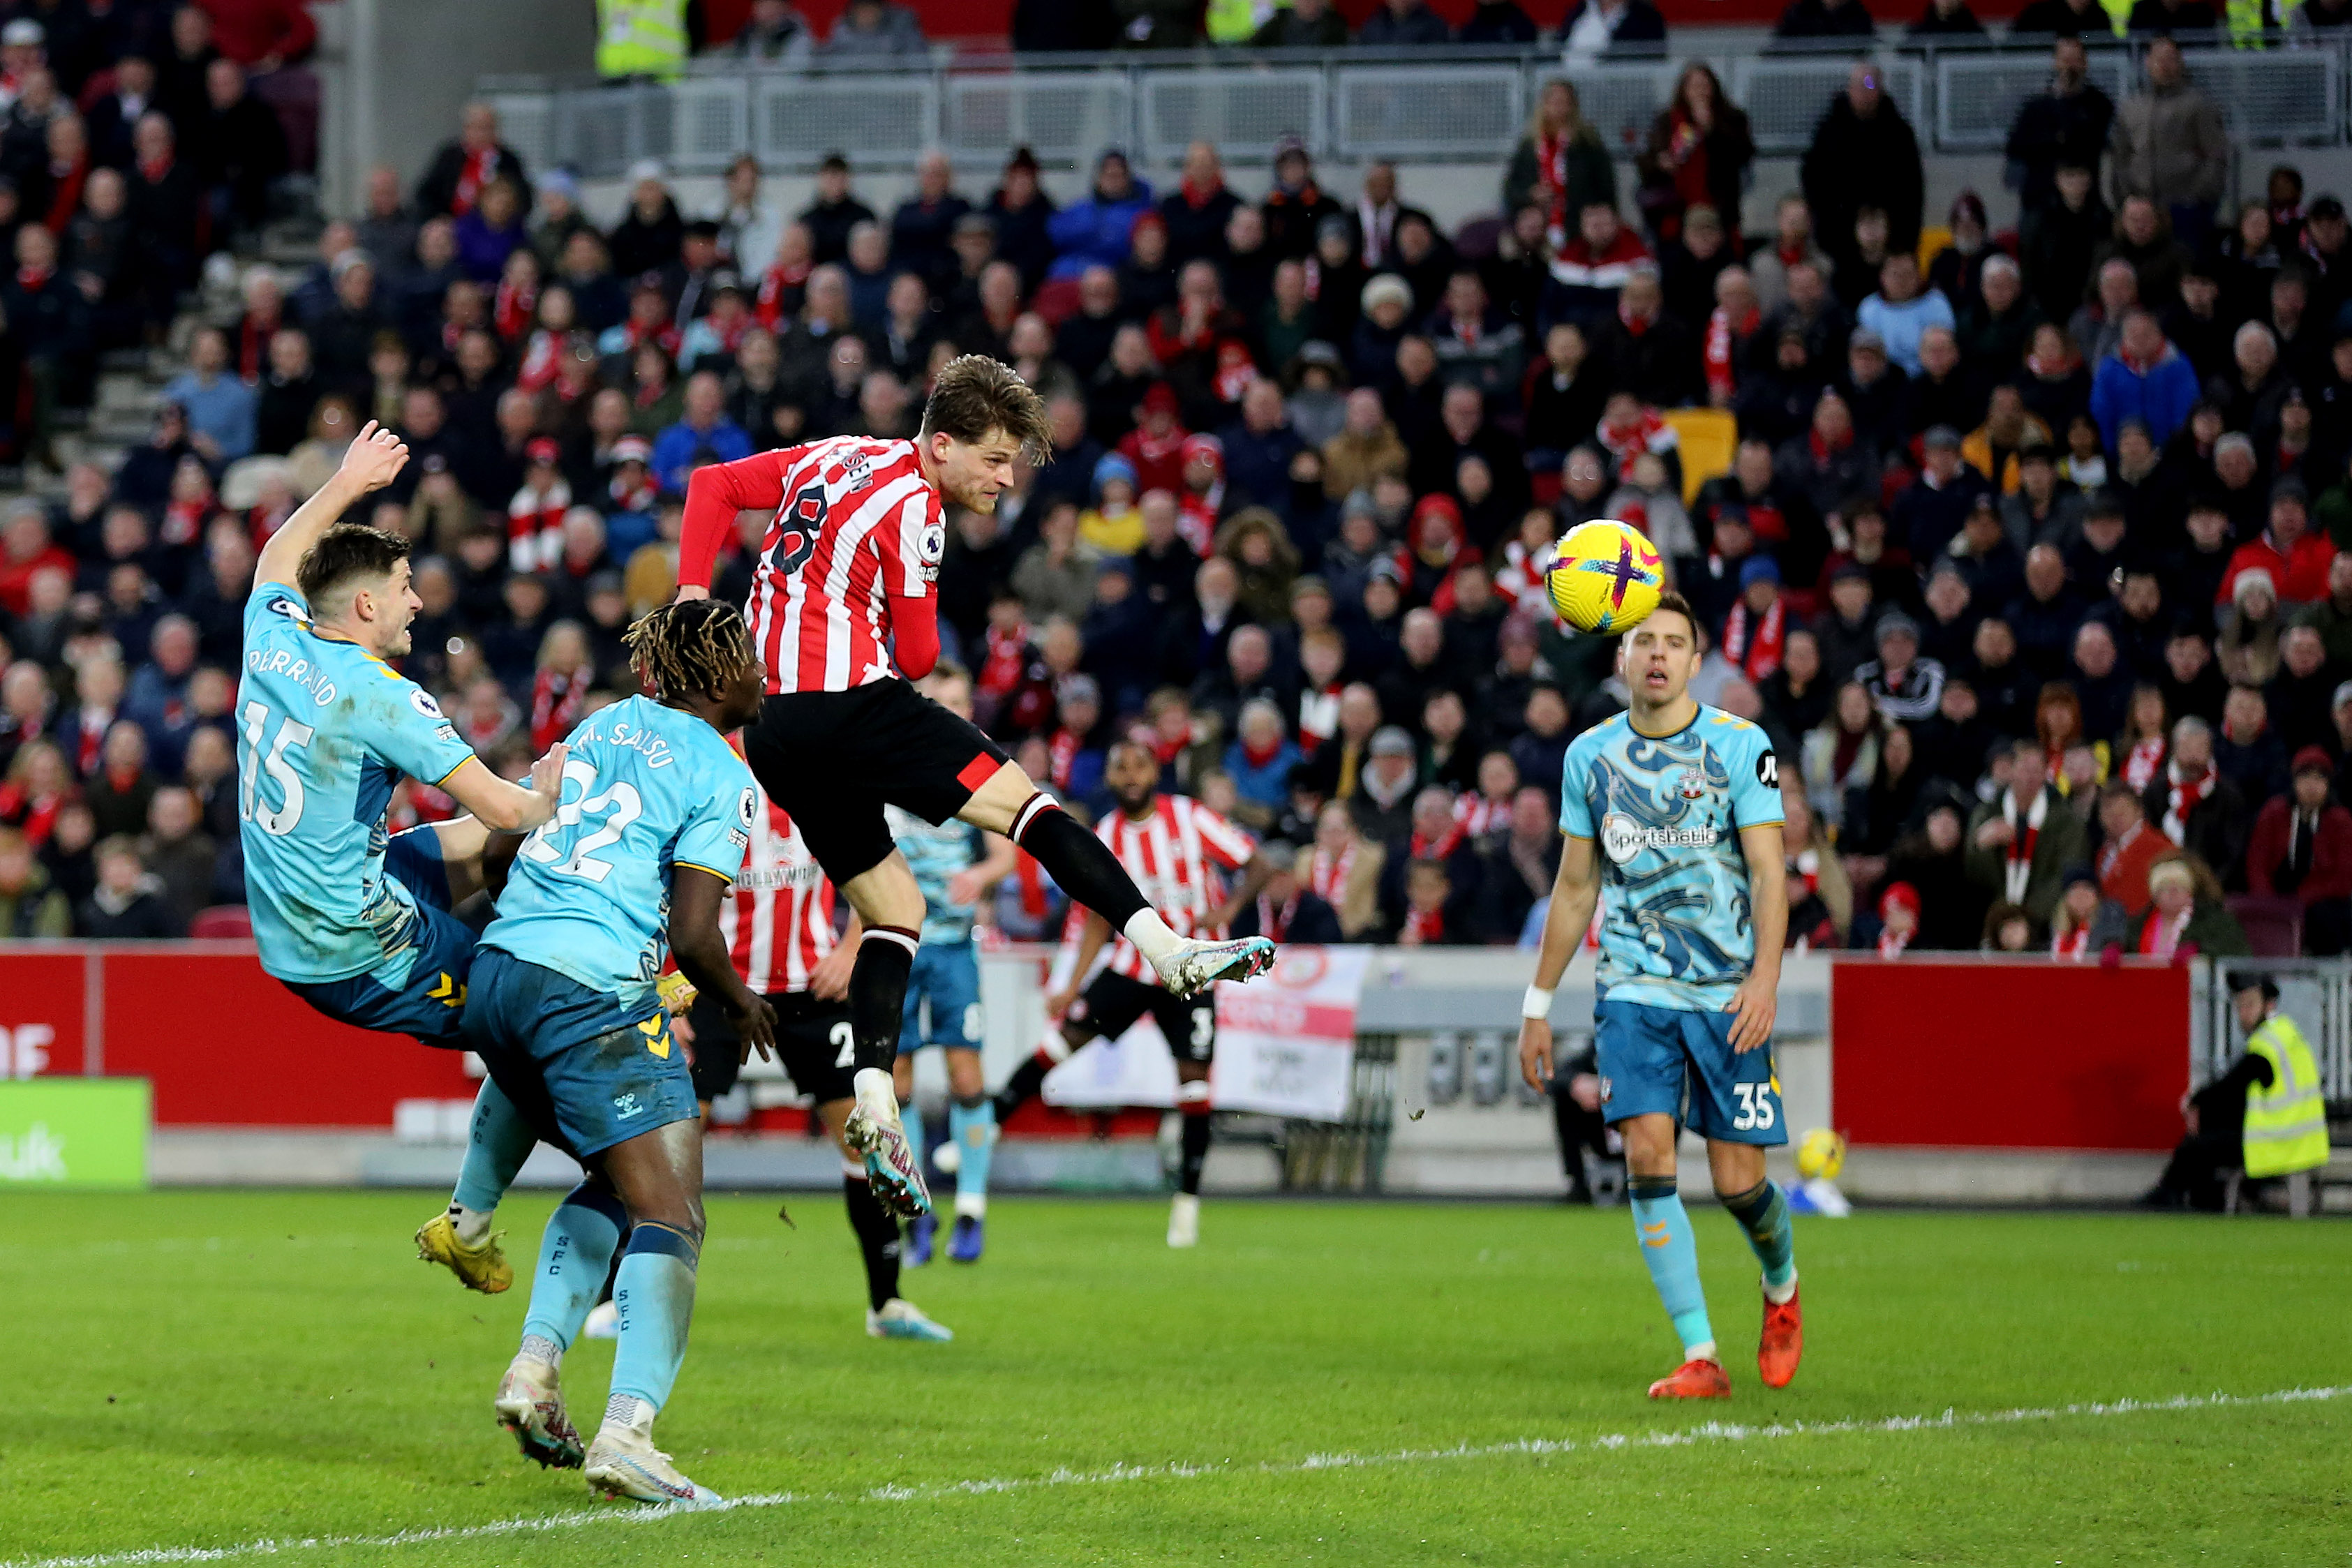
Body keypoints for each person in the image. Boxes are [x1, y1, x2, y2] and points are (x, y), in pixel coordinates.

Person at [671, 356, 1276, 1216]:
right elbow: (919, 658)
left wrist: (695, 599)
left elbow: (711, 486)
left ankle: (874, 1098)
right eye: (994, 460)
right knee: (1032, 810)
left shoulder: (832, 453)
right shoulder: (919, 505)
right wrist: (889, 609)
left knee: (896, 911)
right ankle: (1165, 950)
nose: (1004, 478)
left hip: (772, 729)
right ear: (942, 444)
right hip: (853, 704)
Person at [237, 424, 568, 1301]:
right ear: (368, 609)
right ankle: (467, 1226)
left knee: (468, 847)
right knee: (529, 1027)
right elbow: (507, 807)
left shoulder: (269, 634)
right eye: (405, 587)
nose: (419, 602)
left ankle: (616, 971)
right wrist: (557, 790)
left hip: (307, 912)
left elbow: (279, 549)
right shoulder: (382, 696)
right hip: (357, 948)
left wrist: (346, 483)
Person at [463, 597, 773, 1503]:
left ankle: (532, 1367)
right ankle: (629, 1432)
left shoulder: (600, 723)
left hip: (502, 970)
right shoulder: (722, 772)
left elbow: (501, 848)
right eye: (751, 661)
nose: (763, 674)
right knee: (673, 1213)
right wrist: (740, 1000)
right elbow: (693, 929)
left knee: (616, 1184)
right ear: (718, 679)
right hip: (590, 990)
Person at [1517, 591, 1798, 1402]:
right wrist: (1537, 1005)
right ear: (1621, 659)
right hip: (1633, 987)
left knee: (1740, 1185)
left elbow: (1769, 872)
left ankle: (1779, 1285)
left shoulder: (1740, 746)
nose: (1658, 655)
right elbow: (1575, 889)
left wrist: (1766, 977)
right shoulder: (1588, 758)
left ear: (1694, 658)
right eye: (1644, 641)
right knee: (1646, 1151)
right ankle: (1700, 1354)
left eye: (1674, 642)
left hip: (1726, 993)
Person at [669, 738, 953, 1344]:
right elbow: (661, 885)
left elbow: (874, 869)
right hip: (718, 987)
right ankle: (626, 1295)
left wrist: (852, 947)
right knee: (671, 1141)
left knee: (866, 1139)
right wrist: (666, 988)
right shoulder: (700, 771)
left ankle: (888, 1302)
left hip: (810, 991)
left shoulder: (814, 772)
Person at [994, 740, 1271, 1248]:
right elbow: (1098, 919)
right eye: (1120, 766)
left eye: (1138, 765)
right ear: (1112, 778)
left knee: (1194, 1083)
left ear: (1155, 770)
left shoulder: (1189, 816)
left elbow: (1256, 861)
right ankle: (985, 1129)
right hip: (1129, 969)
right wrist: (1071, 985)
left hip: (1191, 973)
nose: (1130, 775)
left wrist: (1227, 908)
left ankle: (1187, 1202)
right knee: (1060, 1043)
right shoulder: (1106, 834)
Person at [886, 664, 1015, 1264]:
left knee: (967, 1077)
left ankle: (972, 1210)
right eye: (942, 700)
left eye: (961, 699)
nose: (953, 708)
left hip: (955, 946)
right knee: (900, 1081)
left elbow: (1006, 852)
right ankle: (919, 1215)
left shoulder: (981, 766)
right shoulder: (887, 763)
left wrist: (981, 874)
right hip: (896, 942)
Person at [2144, 971, 2328, 1210]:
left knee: (2196, 1147)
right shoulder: (2287, 1035)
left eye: (2250, 1005)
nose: (2243, 1013)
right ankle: (2199, 1201)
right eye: (2240, 1007)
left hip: (2277, 1143)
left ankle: (2172, 1199)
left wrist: (2195, 1103)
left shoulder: (2267, 1045)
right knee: (2208, 1133)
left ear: (2269, 1005)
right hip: (2294, 1140)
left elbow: (2231, 1085)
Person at [2110, 37, 2229, 251]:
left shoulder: (2199, 105)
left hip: (2185, 208)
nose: (2165, 66)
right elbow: (2120, 156)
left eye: (2171, 59)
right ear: (2148, 62)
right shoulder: (2131, 107)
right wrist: (2125, 197)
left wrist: (2198, 196)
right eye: (2159, 60)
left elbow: (2215, 154)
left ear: (2180, 62)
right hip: (2140, 209)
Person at [2245, 746, 2352, 955]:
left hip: (2322, 901)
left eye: (2319, 779)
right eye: (2305, 778)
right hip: (2277, 895)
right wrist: (2269, 901)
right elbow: (2257, 863)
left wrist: (2301, 899)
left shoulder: (2341, 820)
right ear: (2294, 782)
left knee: (2326, 916)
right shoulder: (2274, 813)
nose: (2311, 786)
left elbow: (2343, 877)